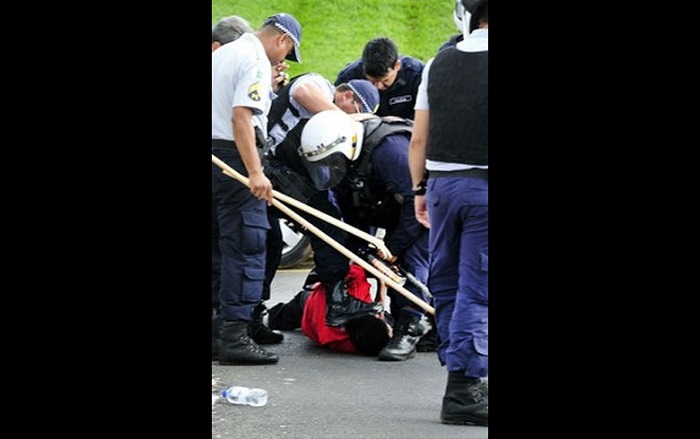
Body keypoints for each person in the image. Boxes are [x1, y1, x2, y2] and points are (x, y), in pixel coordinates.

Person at [407, 0, 488, 426]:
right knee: (479, 288)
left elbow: (418, 139)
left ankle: (463, 374)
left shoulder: (438, 62)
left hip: (441, 185)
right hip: (483, 189)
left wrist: (419, 189)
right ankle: (463, 389)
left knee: (449, 283)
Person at [298, 109, 433, 361]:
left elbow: (414, 207)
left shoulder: (390, 152)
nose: (330, 168)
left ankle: (411, 326)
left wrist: (390, 249)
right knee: (384, 265)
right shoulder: (345, 164)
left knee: (411, 260)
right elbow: (353, 212)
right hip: (395, 206)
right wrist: (363, 249)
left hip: (425, 206)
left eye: (332, 161)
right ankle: (429, 325)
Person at [211, 12, 303, 366]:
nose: (282, 61)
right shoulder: (255, 60)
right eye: (287, 52)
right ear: (281, 39)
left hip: (215, 155)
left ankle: (219, 330)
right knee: (246, 245)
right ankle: (235, 334)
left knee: (219, 245)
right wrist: (254, 172)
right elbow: (241, 117)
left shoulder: (222, 54)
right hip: (236, 156)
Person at [262, 76, 385, 329]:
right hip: (271, 166)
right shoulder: (319, 84)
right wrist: (347, 120)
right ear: (348, 96)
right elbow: (302, 90)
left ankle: (252, 315)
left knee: (270, 243)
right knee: (327, 226)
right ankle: (338, 303)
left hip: (276, 167)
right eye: (357, 111)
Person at [265, 263, 393, 356]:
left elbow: (350, 269)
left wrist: (381, 279)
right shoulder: (345, 344)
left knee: (277, 317)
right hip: (311, 321)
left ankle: (262, 317)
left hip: (309, 301)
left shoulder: (357, 293)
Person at [334, 37, 424, 120]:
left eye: (385, 80)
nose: (378, 86)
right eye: (372, 82)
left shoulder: (418, 76)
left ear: (397, 65)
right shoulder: (348, 76)